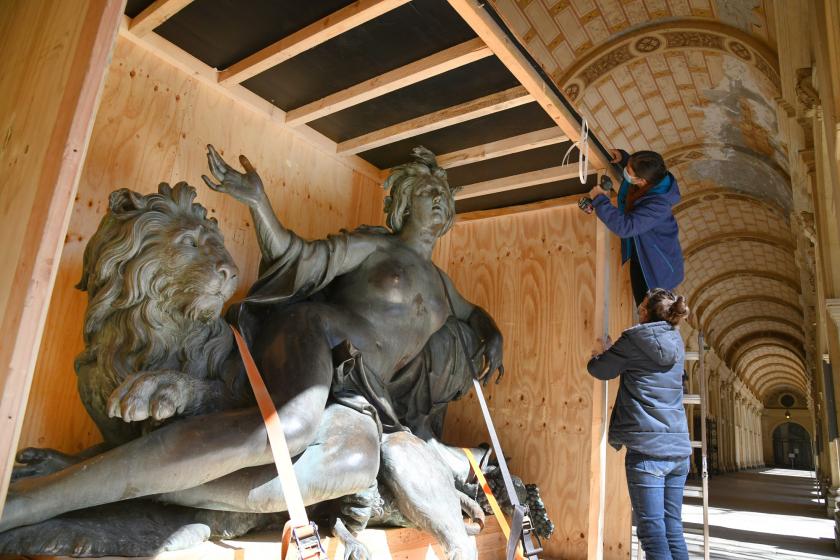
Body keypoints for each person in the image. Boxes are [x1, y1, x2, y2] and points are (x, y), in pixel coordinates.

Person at [0, 146, 503, 531]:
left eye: (444, 196)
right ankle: (34, 501)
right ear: (401, 204)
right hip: (316, 336)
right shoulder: (375, 245)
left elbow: (473, 314)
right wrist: (259, 203)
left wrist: (492, 332)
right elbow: (299, 257)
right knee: (290, 432)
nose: (438, 202)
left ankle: (128, 487)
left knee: (356, 465)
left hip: (363, 394)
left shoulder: (443, 286)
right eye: (425, 193)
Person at [587, 289, 691, 560]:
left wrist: (607, 351)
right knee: (672, 530)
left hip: (648, 454)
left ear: (646, 311)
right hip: (679, 451)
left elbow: (599, 369)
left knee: (653, 535)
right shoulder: (677, 341)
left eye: (641, 306)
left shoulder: (635, 339)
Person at [588, 149, 684, 305]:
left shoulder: (658, 205)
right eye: (627, 167)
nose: (625, 171)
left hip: (657, 269)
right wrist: (623, 158)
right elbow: (635, 172)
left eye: (628, 170)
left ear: (642, 181)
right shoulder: (652, 179)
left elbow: (626, 227)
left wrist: (600, 200)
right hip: (644, 250)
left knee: (648, 309)